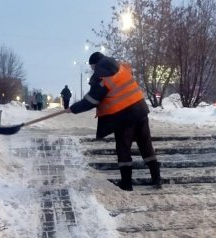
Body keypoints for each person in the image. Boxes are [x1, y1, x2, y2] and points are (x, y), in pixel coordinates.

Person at [68, 51, 161, 191]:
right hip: (141, 110)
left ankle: (127, 184)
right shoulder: (121, 68)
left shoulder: (103, 75)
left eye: (92, 67)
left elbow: (92, 100)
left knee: (123, 149)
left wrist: (73, 109)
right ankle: (156, 179)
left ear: (95, 64)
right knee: (146, 144)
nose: (93, 70)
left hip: (124, 115)